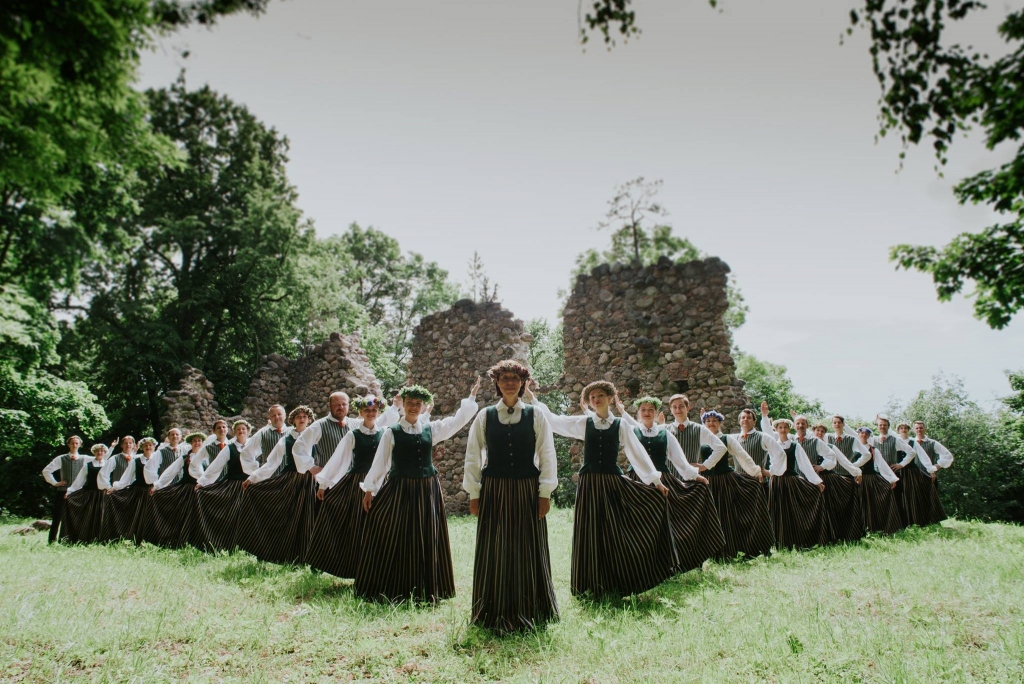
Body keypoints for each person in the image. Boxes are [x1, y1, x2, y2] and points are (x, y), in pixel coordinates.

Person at [532, 380, 676, 599]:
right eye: (592, 398)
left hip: (611, 483)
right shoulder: (584, 423)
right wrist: (534, 400)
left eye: (600, 395)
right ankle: (587, 585)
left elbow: (637, 454)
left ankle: (616, 581)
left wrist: (656, 481)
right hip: (589, 483)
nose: (596, 400)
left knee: (614, 530)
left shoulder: (621, 425)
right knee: (589, 531)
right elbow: (555, 422)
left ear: (610, 398)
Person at [355, 380, 480, 603]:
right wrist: (369, 490)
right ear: (403, 404)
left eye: (418, 403)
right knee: (397, 533)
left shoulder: (430, 429)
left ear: (423, 406)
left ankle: (426, 586)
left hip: (426, 489)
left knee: (425, 534)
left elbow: (456, 422)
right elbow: (381, 462)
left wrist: (470, 400)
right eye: (410, 402)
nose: (414, 406)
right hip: (401, 488)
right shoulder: (391, 432)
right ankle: (392, 584)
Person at [462, 361, 558, 632]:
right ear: (497, 383)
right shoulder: (485, 416)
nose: (509, 382)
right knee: (495, 547)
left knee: (527, 547)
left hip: (528, 489)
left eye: (515, 378)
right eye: (504, 378)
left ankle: (531, 608)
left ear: (523, 383)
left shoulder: (537, 415)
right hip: (494, 490)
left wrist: (545, 493)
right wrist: (474, 493)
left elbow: (547, 454)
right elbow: (473, 455)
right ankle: (491, 609)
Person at [615, 395, 725, 574]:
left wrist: (696, 476)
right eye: (643, 410)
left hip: (663, 480)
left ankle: (668, 564)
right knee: (637, 523)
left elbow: (679, 460)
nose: (647, 413)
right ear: (638, 413)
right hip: (637, 481)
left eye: (651, 410)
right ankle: (639, 565)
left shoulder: (665, 433)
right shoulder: (631, 432)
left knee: (667, 522)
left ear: (657, 412)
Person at [306, 399, 386, 579]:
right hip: (357, 481)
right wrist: (324, 483)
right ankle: (326, 560)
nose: (371, 413)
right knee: (348, 521)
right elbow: (339, 459)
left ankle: (375, 567)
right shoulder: (353, 434)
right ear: (360, 412)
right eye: (367, 410)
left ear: (379, 412)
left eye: (374, 410)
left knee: (378, 524)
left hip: (380, 481)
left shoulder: (385, 433)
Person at [235, 406, 318, 564]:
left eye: (305, 417)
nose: (301, 419)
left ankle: (305, 559)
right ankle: (269, 551)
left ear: (309, 420)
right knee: (281, 516)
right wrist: (253, 478)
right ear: (292, 420)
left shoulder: (315, 437)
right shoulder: (285, 439)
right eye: (298, 416)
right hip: (289, 481)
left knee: (307, 520)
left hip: (309, 482)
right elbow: (271, 463)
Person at [698, 410, 774, 559]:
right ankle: (711, 553)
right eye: (708, 421)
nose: (711, 423)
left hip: (725, 481)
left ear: (720, 423)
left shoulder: (727, 439)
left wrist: (756, 471)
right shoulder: (700, 440)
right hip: (706, 482)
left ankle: (738, 549)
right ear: (704, 424)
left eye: (714, 420)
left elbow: (742, 455)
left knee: (728, 516)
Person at [761, 416, 830, 550]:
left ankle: (795, 539)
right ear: (776, 429)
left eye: (785, 427)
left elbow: (805, 465)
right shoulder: (772, 445)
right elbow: (772, 463)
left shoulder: (795, 445)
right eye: (780, 427)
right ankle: (777, 541)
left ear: (789, 429)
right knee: (776, 510)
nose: (783, 430)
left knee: (791, 511)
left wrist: (816, 482)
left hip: (791, 481)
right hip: (776, 482)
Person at [195, 420, 256, 552]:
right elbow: (216, 466)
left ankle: (249, 546)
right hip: (234, 485)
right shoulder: (230, 448)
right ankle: (228, 545)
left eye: (243, 429)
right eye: (238, 429)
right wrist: (203, 482)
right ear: (234, 432)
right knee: (232, 515)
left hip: (251, 485)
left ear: (248, 431)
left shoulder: (255, 446)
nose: (241, 431)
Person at [869, 415, 935, 527]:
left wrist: (901, 464)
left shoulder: (896, 440)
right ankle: (880, 525)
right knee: (879, 500)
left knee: (896, 499)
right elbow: (857, 437)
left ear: (888, 427)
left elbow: (912, 452)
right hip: (878, 474)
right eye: (880, 425)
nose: (882, 427)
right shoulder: (872, 439)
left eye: (884, 425)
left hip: (893, 473)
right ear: (877, 426)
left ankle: (897, 525)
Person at [149, 431, 208, 548]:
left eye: (199, 441)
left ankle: (199, 542)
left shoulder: (206, 458)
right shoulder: (185, 458)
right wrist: (157, 486)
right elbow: (171, 472)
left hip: (202, 490)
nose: (197, 443)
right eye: (194, 441)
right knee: (183, 515)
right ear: (191, 443)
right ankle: (180, 540)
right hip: (187, 489)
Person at [102, 436, 159, 543]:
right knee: (135, 515)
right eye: (145, 445)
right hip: (138, 491)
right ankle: (132, 538)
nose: (148, 447)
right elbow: (126, 477)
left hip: (153, 491)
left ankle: (151, 540)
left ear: (154, 447)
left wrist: (157, 486)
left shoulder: (158, 459)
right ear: (141, 447)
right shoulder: (136, 461)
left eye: (150, 445)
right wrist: (115, 488)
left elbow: (162, 475)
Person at [825, 416, 871, 542]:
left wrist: (854, 466)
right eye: (834, 422)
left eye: (839, 422)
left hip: (847, 477)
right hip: (832, 476)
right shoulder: (827, 437)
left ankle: (851, 533)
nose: (837, 424)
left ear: (844, 424)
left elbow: (867, 454)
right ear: (832, 424)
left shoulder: (852, 439)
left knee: (849, 506)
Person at [61, 442, 116, 544]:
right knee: (89, 517)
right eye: (97, 451)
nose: (100, 452)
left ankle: (102, 539)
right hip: (90, 494)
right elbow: (79, 481)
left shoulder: (108, 465)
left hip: (103, 494)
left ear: (105, 453)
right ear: (94, 452)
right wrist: (69, 492)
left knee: (103, 516)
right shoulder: (88, 466)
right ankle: (86, 539)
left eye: (102, 451)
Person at [853, 427, 903, 534]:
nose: (863, 435)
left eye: (866, 434)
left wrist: (891, 479)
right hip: (855, 479)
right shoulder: (853, 448)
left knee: (872, 503)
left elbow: (882, 465)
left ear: (869, 436)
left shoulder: (873, 450)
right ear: (858, 434)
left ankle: (875, 527)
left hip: (870, 479)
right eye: (861, 433)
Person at [41, 435, 87, 543]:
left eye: (76, 443)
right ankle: (51, 541)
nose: (74, 445)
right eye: (72, 443)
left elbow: (101, 458)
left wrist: (112, 447)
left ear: (80, 444)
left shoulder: (85, 458)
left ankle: (75, 540)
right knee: (57, 517)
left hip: (78, 492)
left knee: (77, 517)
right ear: (68, 444)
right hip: (63, 491)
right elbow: (46, 471)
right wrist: (55, 483)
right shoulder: (61, 458)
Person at [910, 421, 950, 524]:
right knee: (915, 500)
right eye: (917, 428)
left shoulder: (932, 443)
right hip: (913, 476)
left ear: (925, 429)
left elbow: (947, 456)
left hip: (928, 475)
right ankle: (917, 522)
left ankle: (932, 522)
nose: (919, 430)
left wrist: (936, 467)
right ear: (914, 430)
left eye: (921, 428)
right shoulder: (910, 443)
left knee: (930, 499)